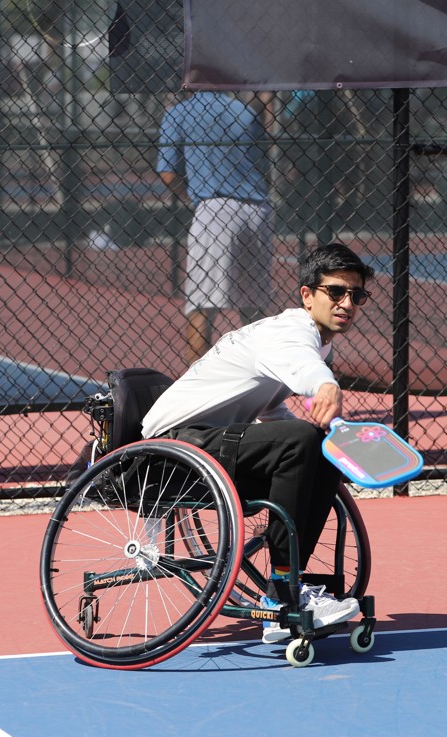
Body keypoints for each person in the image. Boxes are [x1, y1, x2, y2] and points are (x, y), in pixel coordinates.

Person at [141, 242, 375, 644]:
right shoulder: (290, 333)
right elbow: (305, 368)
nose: (347, 303)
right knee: (305, 438)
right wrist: (326, 387)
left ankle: (288, 581)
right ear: (307, 294)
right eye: (336, 292)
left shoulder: (316, 339)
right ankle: (281, 596)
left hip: (211, 445)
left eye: (357, 296)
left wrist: (325, 435)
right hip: (174, 449)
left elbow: (270, 412)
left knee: (317, 443)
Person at [157, 87, 274, 361]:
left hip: (215, 209)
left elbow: (167, 174)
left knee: (201, 306)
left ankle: (198, 388)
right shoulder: (244, 111)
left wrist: (190, 196)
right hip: (258, 211)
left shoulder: (178, 113)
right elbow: (262, 161)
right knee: (254, 310)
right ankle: (258, 390)